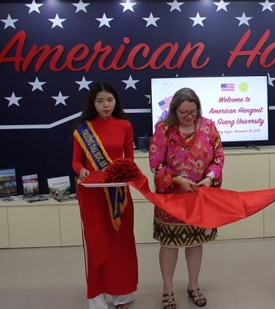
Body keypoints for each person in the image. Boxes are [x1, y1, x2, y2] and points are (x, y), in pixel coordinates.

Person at [149, 87, 224, 309]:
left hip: (197, 197)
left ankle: (193, 285)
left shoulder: (209, 126)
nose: (190, 116)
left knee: (195, 242)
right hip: (171, 198)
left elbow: (218, 158)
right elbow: (156, 164)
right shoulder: (163, 129)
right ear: (175, 110)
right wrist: (176, 179)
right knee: (169, 244)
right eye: (184, 113)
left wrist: (210, 178)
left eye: (193, 111)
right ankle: (168, 289)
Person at [72, 82, 137, 309]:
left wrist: (123, 173)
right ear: (93, 103)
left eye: (109, 99)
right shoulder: (83, 128)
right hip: (93, 194)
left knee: (122, 244)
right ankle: (97, 300)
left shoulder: (125, 125)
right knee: (96, 244)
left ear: (115, 100)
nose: (105, 105)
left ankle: (123, 296)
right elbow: (76, 160)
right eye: (100, 101)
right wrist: (81, 170)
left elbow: (129, 159)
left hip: (119, 193)